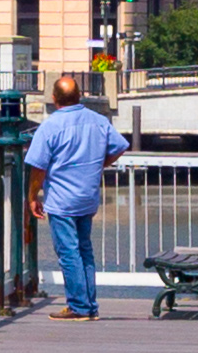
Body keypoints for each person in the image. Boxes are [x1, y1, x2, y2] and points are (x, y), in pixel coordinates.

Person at [26, 74, 126, 318]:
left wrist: (32, 196)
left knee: (68, 253)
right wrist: (100, 164)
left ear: (53, 99)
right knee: (84, 250)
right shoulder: (98, 121)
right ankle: (89, 305)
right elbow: (120, 146)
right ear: (79, 96)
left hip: (61, 199)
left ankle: (79, 306)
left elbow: (38, 168)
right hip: (87, 196)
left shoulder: (49, 127)